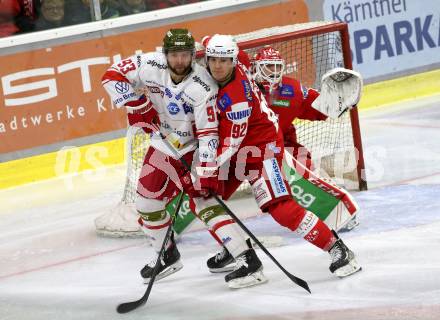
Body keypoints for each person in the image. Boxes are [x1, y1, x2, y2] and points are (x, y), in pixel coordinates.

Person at [101, 28, 263, 289]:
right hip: (163, 143)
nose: (180, 61)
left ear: (192, 55)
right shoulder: (149, 64)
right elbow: (111, 75)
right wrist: (136, 104)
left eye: (185, 55)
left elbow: (209, 132)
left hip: (193, 148)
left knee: (202, 202)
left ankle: (247, 258)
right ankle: (167, 254)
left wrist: (207, 171)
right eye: (174, 54)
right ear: (165, 54)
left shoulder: (203, 85)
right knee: (146, 203)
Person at [202, 34, 361, 280]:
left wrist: (338, 102)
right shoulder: (234, 61)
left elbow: (320, 109)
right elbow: (212, 40)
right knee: (206, 201)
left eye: (224, 60)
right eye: (213, 59)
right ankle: (235, 248)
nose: (218, 65)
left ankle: (338, 249)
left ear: (235, 61)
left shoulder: (264, 93)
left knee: (281, 208)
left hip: (261, 153)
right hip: (235, 152)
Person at [251, 45, 328, 170]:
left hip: (280, 144)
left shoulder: (293, 89)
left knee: (306, 167)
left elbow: (317, 106)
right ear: (256, 68)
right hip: (246, 146)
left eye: (277, 66)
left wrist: (334, 102)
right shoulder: (244, 89)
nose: (274, 71)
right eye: (269, 66)